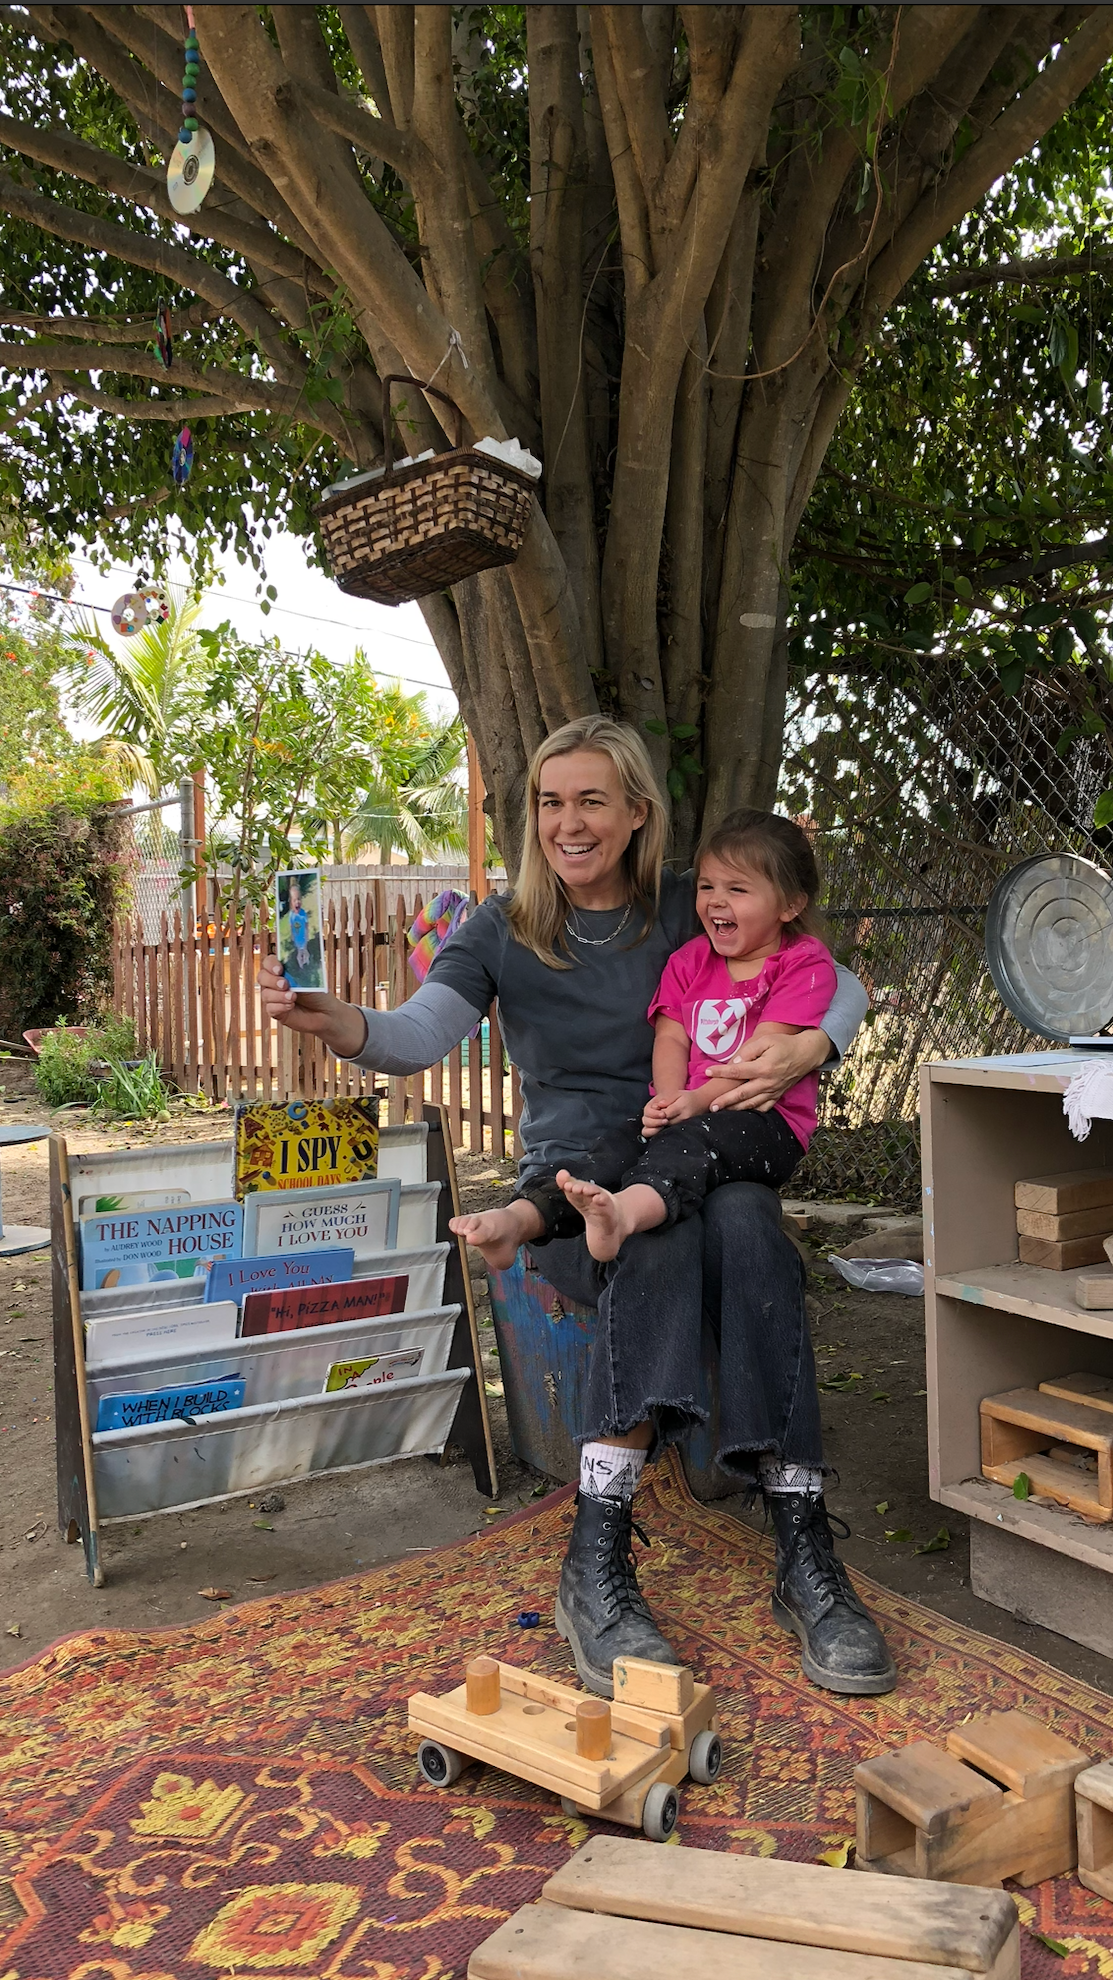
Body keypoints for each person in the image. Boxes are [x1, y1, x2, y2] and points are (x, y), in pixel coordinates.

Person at [258, 715, 896, 1701]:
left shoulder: (690, 907)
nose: (569, 823)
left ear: (637, 813)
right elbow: (417, 1031)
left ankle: (802, 1545)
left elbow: (834, 978)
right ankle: (597, 1564)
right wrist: (338, 1023)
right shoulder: (502, 929)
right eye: (552, 803)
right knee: (668, 1242)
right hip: (574, 1189)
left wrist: (817, 1045)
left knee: (745, 1227)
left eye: (592, 800)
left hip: (704, 1153)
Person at [471, 807, 834, 1266]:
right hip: (690, 1111)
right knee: (616, 1146)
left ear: (790, 905)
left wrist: (696, 1103)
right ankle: (524, 1218)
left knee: (688, 1145)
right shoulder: (690, 960)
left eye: (737, 889)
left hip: (764, 1119)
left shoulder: (802, 963)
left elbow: (762, 1059)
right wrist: (668, 1100)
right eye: (706, 886)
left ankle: (624, 1216)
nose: (716, 901)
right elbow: (671, 1038)